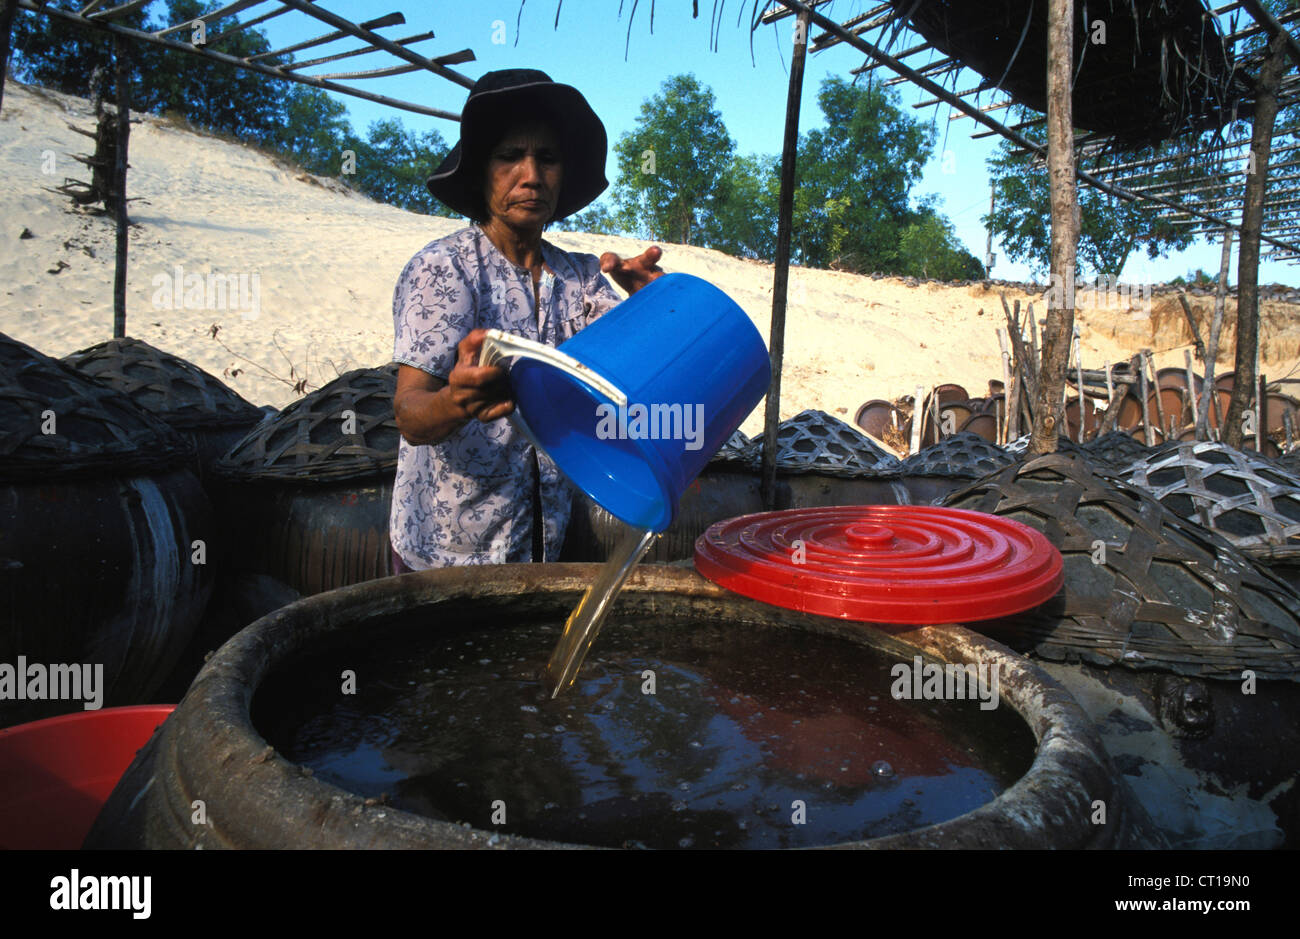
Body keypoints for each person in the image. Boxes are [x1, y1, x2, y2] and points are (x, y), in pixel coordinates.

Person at [390, 69, 664, 571]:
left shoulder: (580, 276)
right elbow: (410, 414)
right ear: (481, 171)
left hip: (544, 544)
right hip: (446, 555)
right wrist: (456, 401)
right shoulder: (446, 269)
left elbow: (633, 376)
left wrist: (655, 306)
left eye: (548, 159)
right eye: (510, 156)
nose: (532, 174)